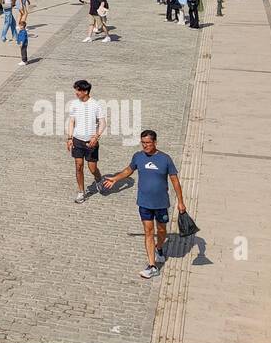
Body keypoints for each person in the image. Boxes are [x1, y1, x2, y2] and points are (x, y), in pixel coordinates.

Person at [104, 130, 186, 279]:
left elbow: (175, 180)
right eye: (143, 143)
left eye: (148, 143)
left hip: (161, 203)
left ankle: (159, 248)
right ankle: (152, 265)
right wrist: (115, 178)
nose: (145, 146)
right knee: (149, 231)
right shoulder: (138, 157)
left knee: (161, 231)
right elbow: (129, 170)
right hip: (144, 202)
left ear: (155, 142)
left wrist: (181, 202)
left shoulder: (165, 159)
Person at [65, 79, 106, 203]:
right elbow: (71, 121)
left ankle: (98, 179)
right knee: (78, 166)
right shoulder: (74, 104)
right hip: (77, 140)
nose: (76, 93)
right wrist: (69, 138)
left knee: (92, 168)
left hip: (91, 142)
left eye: (78, 90)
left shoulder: (96, 104)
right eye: (76, 90)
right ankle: (81, 192)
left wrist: (96, 136)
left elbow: (103, 123)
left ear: (86, 91)